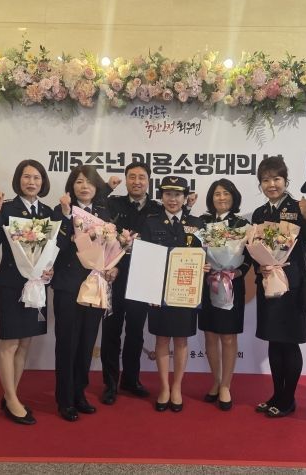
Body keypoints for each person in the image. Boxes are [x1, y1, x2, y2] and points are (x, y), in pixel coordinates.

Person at [251, 155, 306, 418]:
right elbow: (253, 249)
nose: (271, 184)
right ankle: (276, 394)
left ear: (286, 180)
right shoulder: (259, 214)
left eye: (276, 179)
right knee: (274, 342)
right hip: (268, 286)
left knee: (290, 343)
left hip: (294, 286)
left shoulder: (299, 207)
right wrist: (258, 266)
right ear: (260, 184)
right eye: (266, 180)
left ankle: (288, 399)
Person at [0, 159, 53, 426]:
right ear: (18, 180)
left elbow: (53, 250)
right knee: (10, 343)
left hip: (37, 286)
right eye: (26, 177)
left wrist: (50, 271)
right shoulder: (7, 208)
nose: (31, 182)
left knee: (25, 342)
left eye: (36, 177)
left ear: (43, 182)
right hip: (12, 284)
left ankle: (10, 394)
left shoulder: (47, 212)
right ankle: (12, 400)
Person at [51, 164, 115, 422]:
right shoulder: (61, 211)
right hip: (68, 285)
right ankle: (65, 399)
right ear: (71, 186)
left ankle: (80, 394)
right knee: (67, 344)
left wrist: (112, 267)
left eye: (88, 182)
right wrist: (67, 216)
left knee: (87, 343)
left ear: (96, 186)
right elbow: (55, 246)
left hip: (95, 285)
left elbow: (111, 249)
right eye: (78, 181)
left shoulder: (103, 212)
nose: (84, 186)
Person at [140, 176, 204, 412]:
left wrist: (205, 265)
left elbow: (203, 254)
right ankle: (164, 388)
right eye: (168, 194)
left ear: (185, 197)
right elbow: (145, 260)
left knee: (181, 340)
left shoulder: (196, 223)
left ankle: (177, 387)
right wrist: (150, 291)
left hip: (185, 292)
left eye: (177, 194)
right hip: (159, 294)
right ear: (162, 197)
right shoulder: (150, 223)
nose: (173, 199)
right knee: (161, 339)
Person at [100, 162, 162, 405]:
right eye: (132, 177)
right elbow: (92, 208)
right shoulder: (112, 203)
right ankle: (110, 384)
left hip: (143, 278)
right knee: (111, 332)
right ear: (126, 180)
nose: (137, 181)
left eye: (142, 177)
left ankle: (131, 379)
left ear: (148, 181)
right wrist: (106, 188)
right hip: (114, 276)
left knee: (135, 332)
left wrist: (187, 206)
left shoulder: (157, 208)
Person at [198, 179, 251, 411]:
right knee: (210, 334)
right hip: (208, 283)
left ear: (233, 196)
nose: (221, 198)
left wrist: (238, 271)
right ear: (211, 198)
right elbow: (193, 249)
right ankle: (216, 381)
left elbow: (250, 256)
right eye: (217, 194)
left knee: (228, 336)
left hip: (232, 284)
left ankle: (227, 385)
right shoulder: (202, 223)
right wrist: (201, 264)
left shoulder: (243, 224)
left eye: (226, 193)